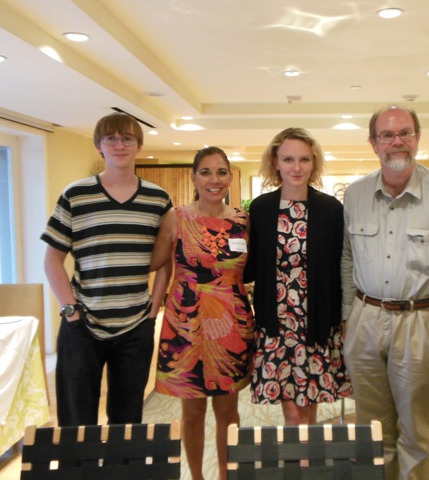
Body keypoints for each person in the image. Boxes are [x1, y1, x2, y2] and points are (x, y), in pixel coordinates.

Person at [341, 105, 429, 480]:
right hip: (365, 319)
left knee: (415, 432)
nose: (397, 141)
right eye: (387, 134)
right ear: (373, 143)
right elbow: (347, 260)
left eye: (405, 133)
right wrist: (347, 317)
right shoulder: (356, 194)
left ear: (418, 138)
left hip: (421, 321)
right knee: (371, 430)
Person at [41, 112, 172, 426]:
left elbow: (165, 258)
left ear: (138, 145)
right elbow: (52, 260)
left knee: (128, 419)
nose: (119, 145)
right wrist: (70, 311)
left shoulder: (158, 199)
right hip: (83, 324)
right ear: (99, 145)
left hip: (135, 324)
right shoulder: (76, 194)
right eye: (111, 138)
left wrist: (153, 311)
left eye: (127, 138)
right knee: (76, 419)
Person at [151, 146, 254, 480]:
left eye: (221, 172)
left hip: (231, 324)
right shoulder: (176, 217)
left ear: (230, 177)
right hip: (185, 324)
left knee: (228, 411)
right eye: (206, 172)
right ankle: (196, 477)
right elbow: (158, 264)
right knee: (192, 412)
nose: (214, 179)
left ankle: (226, 475)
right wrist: (153, 306)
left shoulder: (242, 221)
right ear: (194, 177)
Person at [245, 127, 351, 425]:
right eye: (288, 159)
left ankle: (307, 463)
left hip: (316, 322)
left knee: (310, 404)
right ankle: (301, 464)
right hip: (277, 323)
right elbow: (250, 265)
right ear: (275, 162)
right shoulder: (262, 208)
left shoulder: (331, 209)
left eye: (304, 159)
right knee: (291, 410)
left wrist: (343, 317)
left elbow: (341, 267)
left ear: (313, 163)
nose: (296, 167)